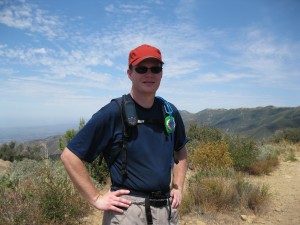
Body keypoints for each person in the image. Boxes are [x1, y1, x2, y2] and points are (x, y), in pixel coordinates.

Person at [61, 44, 188, 225]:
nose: (149, 74)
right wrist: (96, 199)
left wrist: (178, 186)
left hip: (165, 211)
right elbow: (69, 156)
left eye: (155, 68)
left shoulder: (169, 111)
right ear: (130, 73)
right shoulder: (113, 112)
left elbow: (181, 151)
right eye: (142, 69)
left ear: (161, 73)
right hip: (128, 212)